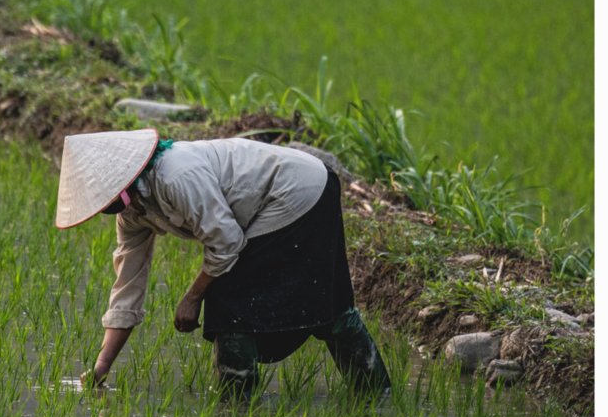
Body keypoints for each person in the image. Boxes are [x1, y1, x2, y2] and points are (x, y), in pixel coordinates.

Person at [55, 127, 390, 398]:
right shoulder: (133, 212)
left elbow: (227, 243)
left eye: (106, 199)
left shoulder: (175, 175)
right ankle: (373, 391)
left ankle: (236, 403)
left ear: (124, 181)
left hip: (299, 190)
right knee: (300, 300)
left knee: (231, 300)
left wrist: (192, 296)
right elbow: (127, 286)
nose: (106, 208)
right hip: (271, 205)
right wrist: (101, 367)